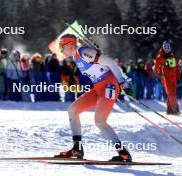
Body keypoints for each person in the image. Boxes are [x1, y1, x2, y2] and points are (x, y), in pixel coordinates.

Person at [54, 34, 132, 162]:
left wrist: (121, 79)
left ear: (69, 45)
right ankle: (77, 148)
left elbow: (111, 62)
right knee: (72, 110)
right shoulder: (77, 55)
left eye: (63, 47)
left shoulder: (84, 52)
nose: (62, 51)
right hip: (97, 87)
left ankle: (123, 153)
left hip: (109, 86)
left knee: (100, 121)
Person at [154, 40, 181, 115]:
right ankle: (175, 110)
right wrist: (161, 75)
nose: (166, 49)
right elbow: (156, 68)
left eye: (168, 47)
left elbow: (177, 68)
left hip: (174, 78)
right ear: (163, 47)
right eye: (165, 47)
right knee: (171, 94)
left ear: (170, 48)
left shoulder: (172, 56)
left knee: (172, 94)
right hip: (166, 78)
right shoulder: (160, 57)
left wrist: (178, 78)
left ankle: (170, 110)